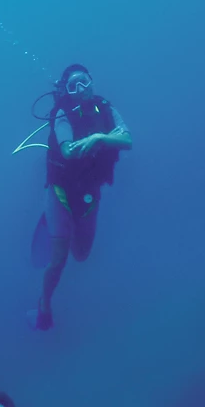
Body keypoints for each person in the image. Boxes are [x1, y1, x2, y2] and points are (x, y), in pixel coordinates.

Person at [28, 63, 133, 330]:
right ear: (67, 91)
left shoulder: (106, 108)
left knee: (82, 255)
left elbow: (127, 139)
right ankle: (44, 306)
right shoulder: (63, 114)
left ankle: (60, 226)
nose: (81, 90)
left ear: (92, 81)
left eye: (84, 82)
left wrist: (100, 138)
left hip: (88, 194)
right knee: (59, 258)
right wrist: (80, 145)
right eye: (74, 86)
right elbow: (66, 150)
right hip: (61, 191)